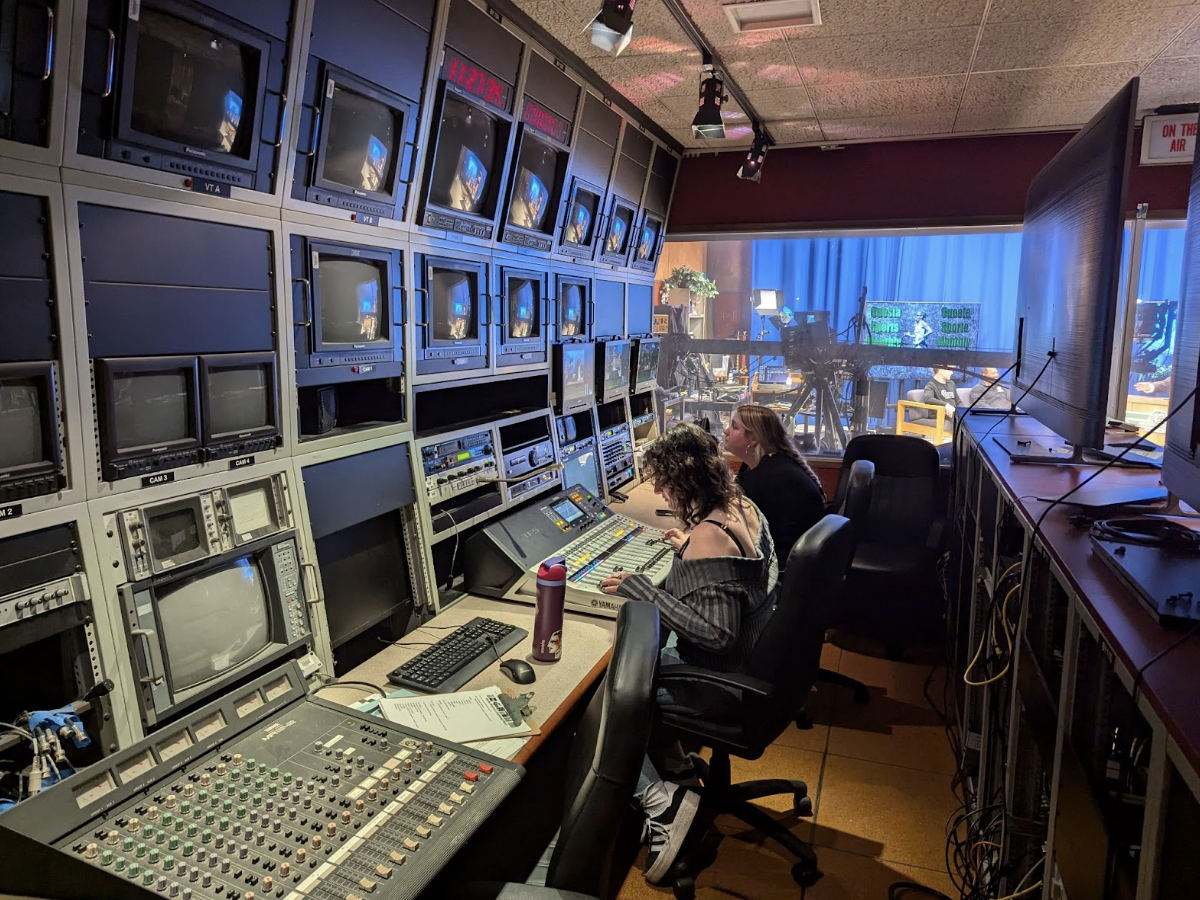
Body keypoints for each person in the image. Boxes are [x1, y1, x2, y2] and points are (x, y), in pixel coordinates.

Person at [598, 423, 777, 884]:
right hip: (755, 663)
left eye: (662, 480)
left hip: (718, 681)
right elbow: (729, 582)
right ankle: (676, 764)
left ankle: (663, 802)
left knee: (609, 695)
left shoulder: (709, 536)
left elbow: (717, 635)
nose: (657, 489)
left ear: (682, 481)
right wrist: (686, 550)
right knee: (640, 659)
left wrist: (643, 589)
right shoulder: (740, 505)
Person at [723, 404, 826, 568]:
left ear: (753, 439)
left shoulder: (769, 477)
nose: (726, 431)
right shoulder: (768, 464)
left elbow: (736, 531)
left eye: (734, 427)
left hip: (777, 571)